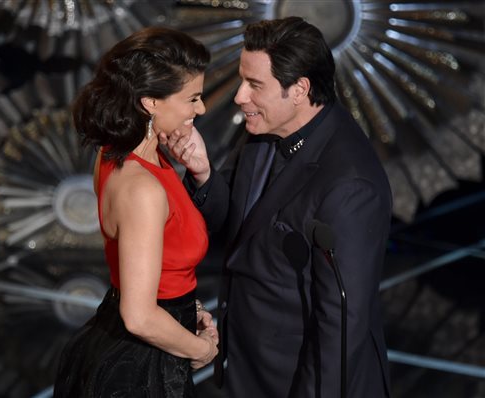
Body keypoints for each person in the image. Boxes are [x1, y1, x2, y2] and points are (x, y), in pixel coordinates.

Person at [160, 16, 392, 398]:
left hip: (300, 380)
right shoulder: (265, 134)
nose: (239, 96)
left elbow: (341, 322)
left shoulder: (350, 184)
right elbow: (235, 226)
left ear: (299, 89)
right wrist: (202, 174)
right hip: (250, 369)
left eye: (254, 85)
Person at [53, 27, 219, 398]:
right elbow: (140, 315)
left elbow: (153, 269)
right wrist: (203, 350)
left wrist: (187, 309)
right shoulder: (142, 188)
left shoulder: (118, 153)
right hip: (140, 366)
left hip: (138, 338)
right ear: (150, 103)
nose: (201, 109)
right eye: (192, 98)